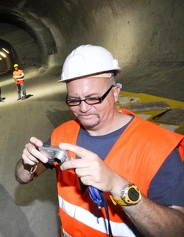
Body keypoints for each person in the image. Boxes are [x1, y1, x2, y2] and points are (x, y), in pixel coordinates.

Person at [15, 45, 184, 236]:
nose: (83, 108)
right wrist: (26, 162)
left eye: (93, 98)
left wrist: (118, 186)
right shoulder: (62, 134)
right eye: (74, 100)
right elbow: (22, 177)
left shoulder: (159, 147)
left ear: (115, 93)